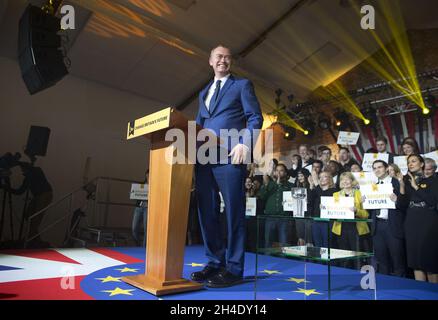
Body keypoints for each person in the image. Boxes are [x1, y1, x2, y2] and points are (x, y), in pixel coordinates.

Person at [192, 45, 263, 288]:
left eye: (228, 57)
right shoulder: (203, 92)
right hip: (204, 159)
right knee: (207, 212)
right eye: (219, 57)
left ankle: (234, 268)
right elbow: (198, 125)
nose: (224, 60)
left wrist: (245, 144)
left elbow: (255, 117)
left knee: (233, 212)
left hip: (231, 157)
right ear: (210, 61)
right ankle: (215, 262)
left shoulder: (242, 86)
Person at [396, 154, 438, 283]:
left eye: (413, 161)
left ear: (422, 164)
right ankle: (421, 292)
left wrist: (416, 187)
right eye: (408, 162)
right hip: (411, 222)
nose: (410, 164)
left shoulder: (434, 180)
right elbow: (401, 205)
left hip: (428, 222)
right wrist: (402, 185)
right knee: (415, 261)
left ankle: (433, 293)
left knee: (429, 261)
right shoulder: (407, 181)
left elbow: (432, 201)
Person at [368, 160, 406, 276]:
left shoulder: (397, 182)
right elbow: (370, 210)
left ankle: (401, 287)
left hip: (392, 226)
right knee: (382, 259)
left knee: (397, 259)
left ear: (386, 168)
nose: (377, 170)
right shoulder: (373, 186)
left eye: (379, 167)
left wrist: (397, 200)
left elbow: (405, 205)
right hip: (377, 226)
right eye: (374, 168)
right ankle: (385, 286)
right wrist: (366, 203)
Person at [8, 163, 53, 247]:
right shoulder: (28, 178)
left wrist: (19, 162)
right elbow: (20, 191)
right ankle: (36, 239)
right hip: (38, 196)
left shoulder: (36, 170)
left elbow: (34, 171)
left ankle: (29, 240)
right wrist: (8, 189)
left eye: (23, 169)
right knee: (28, 215)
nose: (22, 171)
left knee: (35, 218)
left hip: (44, 194)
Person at [332, 173, 370, 255]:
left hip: (356, 229)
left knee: (357, 255)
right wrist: (325, 207)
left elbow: (366, 214)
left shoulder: (359, 194)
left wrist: (357, 211)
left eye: (347, 179)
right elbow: (332, 213)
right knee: (344, 256)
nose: (345, 181)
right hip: (341, 229)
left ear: (352, 181)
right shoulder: (336, 195)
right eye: (342, 179)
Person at [258, 164, 293, 248]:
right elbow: (262, 196)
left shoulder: (290, 186)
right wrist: (270, 184)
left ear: (285, 173)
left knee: (284, 243)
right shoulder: (270, 184)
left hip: (284, 218)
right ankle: (267, 260)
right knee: (268, 243)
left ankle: (284, 260)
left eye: (281, 170)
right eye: (277, 170)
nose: (278, 172)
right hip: (270, 218)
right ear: (274, 172)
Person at [309, 171, 339, 248]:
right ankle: (320, 260)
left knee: (327, 245)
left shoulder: (334, 191)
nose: (321, 179)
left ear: (330, 179)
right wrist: (311, 185)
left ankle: (327, 260)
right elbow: (309, 202)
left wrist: (316, 183)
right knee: (317, 245)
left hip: (328, 222)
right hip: (316, 220)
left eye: (324, 176)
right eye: (320, 177)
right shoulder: (316, 190)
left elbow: (323, 197)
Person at [293, 169, 313, 246]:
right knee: (300, 236)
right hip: (299, 215)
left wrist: (311, 186)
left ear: (306, 176)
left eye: (301, 176)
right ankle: (302, 256)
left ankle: (309, 256)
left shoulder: (311, 186)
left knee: (309, 237)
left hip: (308, 215)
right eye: (298, 176)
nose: (299, 178)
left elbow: (311, 200)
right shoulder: (296, 187)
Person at [132, 171, 149, 247]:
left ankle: (144, 247)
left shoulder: (155, 186)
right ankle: (137, 245)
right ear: (145, 176)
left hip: (148, 208)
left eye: (150, 175)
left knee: (146, 229)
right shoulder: (141, 184)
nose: (148, 177)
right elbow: (136, 194)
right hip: (139, 207)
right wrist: (132, 194)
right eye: (147, 175)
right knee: (134, 228)